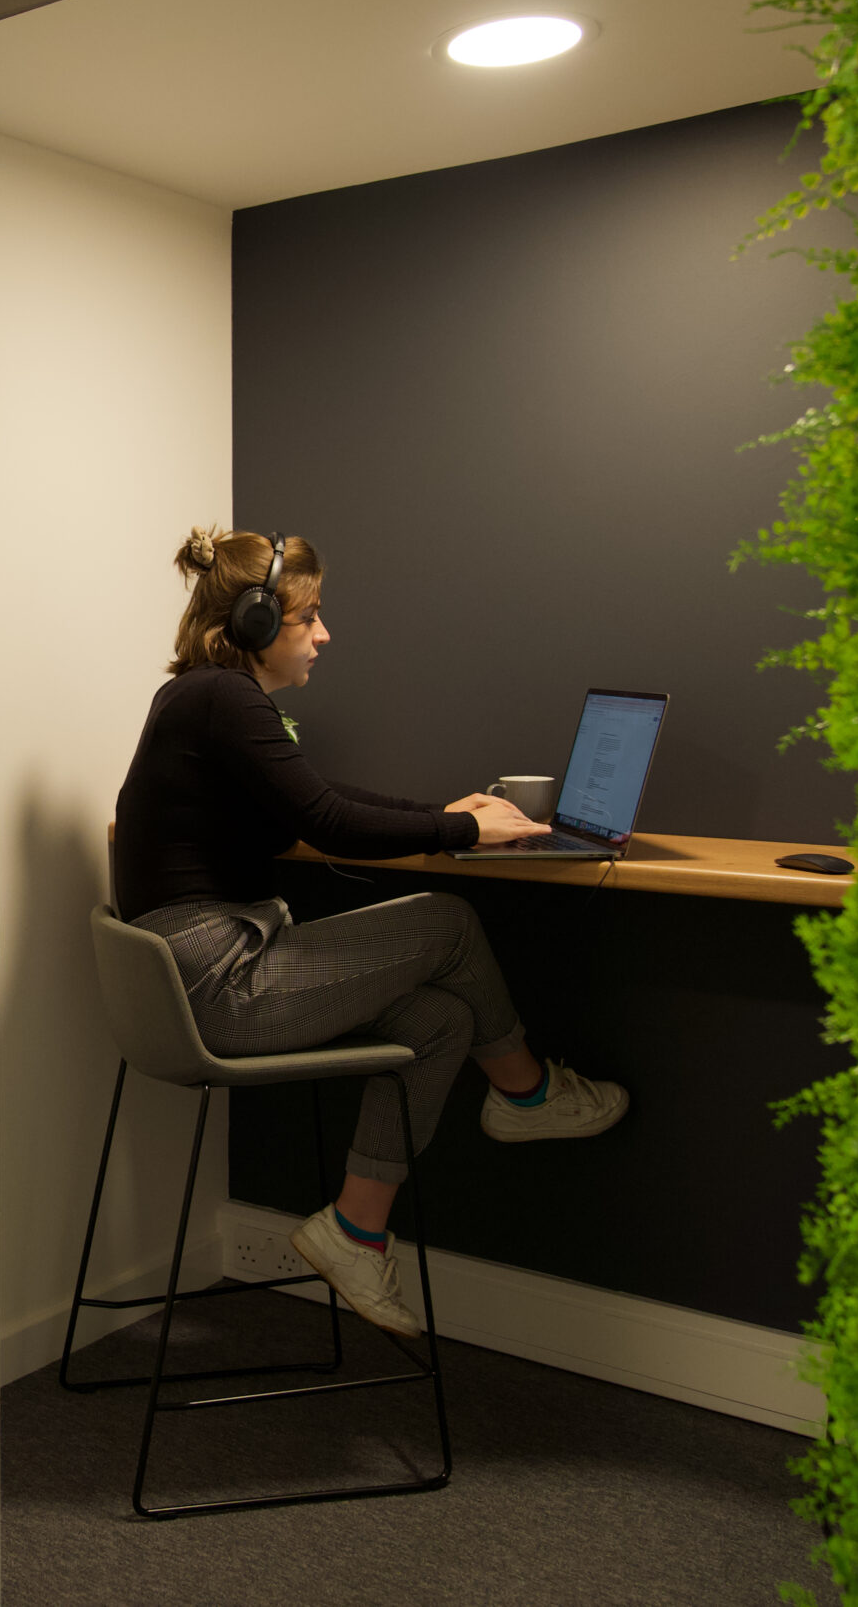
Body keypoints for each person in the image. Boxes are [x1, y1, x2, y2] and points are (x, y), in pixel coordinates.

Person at [111, 525, 629, 1337]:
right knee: (449, 921)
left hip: (206, 972)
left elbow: (317, 797)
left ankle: (354, 1230)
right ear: (252, 623)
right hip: (219, 986)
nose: (324, 634)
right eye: (307, 617)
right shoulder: (224, 699)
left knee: (442, 1020)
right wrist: (459, 830)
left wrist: (453, 813)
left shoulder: (205, 700)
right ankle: (527, 1094)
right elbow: (327, 818)